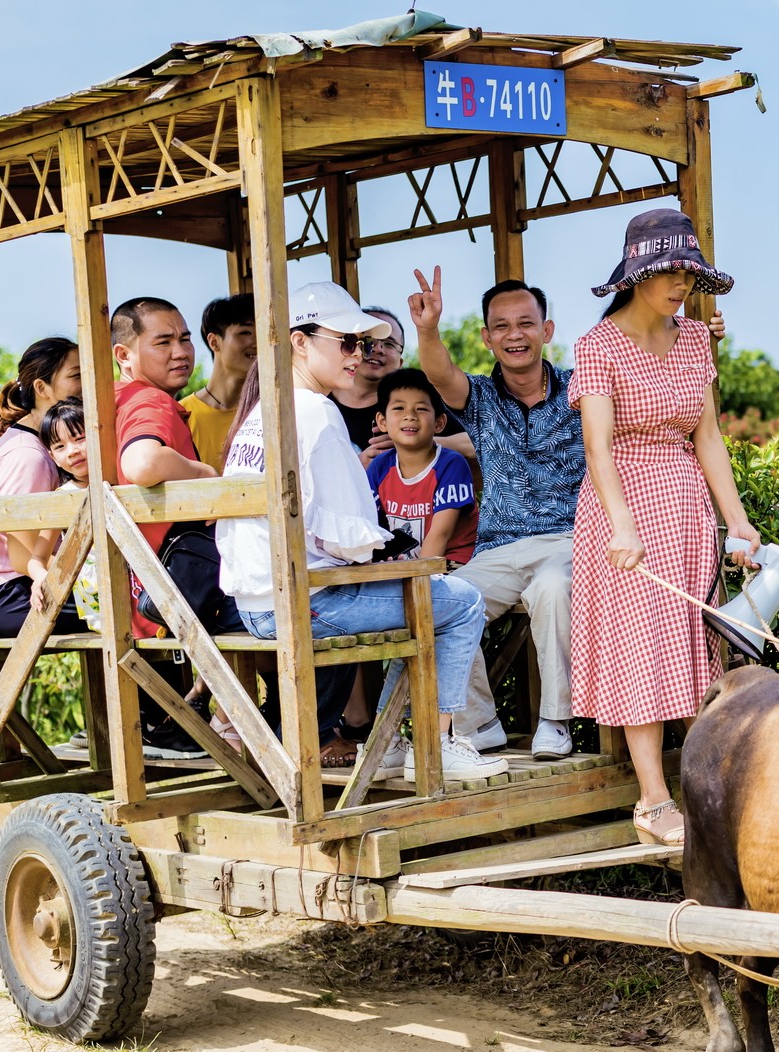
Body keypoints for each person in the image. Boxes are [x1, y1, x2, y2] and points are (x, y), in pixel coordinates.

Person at [409, 268, 728, 761]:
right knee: (438, 601)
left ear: (547, 330)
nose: (515, 335)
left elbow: (649, 383)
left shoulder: (582, 383)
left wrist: (704, 336)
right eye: (502, 326)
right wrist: (428, 330)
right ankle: (480, 725)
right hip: (498, 548)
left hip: (571, 539)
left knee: (555, 589)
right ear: (487, 337)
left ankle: (555, 722)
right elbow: (438, 374)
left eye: (526, 323)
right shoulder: (480, 397)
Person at [216, 281, 506, 784]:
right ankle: (435, 743)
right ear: (300, 342)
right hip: (308, 600)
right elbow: (350, 537)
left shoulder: (261, 414)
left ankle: (390, 741)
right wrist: (387, 554)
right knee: (460, 600)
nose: (360, 354)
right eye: (347, 342)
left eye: (365, 344)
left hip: (259, 602)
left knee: (425, 600)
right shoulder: (316, 413)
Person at [569, 208, 760, 847]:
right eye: (669, 272)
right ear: (636, 275)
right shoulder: (598, 346)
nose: (682, 283)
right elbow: (598, 448)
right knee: (640, 645)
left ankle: (702, 785)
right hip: (621, 507)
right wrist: (622, 527)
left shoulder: (696, 339)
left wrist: (737, 522)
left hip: (684, 506)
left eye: (688, 272)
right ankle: (652, 799)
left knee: (693, 640)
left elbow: (707, 437)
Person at [112, 295, 222, 759]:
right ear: (124, 354)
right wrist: (207, 475)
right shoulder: (150, 401)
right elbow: (141, 462)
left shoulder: (107, 401)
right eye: (163, 342)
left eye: (185, 338)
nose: (181, 351)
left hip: (128, 585)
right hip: (165, 588)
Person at [0, 338, 86, 637]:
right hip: (12, 594)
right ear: (41, 388)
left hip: (20, 587)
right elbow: (22, 556)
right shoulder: (28, 455)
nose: (88, 382)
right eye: (76, 375)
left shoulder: (37, 444)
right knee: (127, 607)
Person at [333, 305, 474, 466]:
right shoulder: (320, 400)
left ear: (400, 363)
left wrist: (417, 441)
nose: (378, 349)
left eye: (389, 344)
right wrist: (357, 469)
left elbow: (476, 441)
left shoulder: (420, 401)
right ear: (350, 346)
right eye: (368, 340)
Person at [366, 369, 478, 566]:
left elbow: (440, 535)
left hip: (450, 564)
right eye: (399, 408)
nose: (410, 416)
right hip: (405, 566)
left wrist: (418, 585)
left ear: (439, 422)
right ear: (382, 421)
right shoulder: (379, 467)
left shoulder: (450, 464)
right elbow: (369, 525)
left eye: (421, 409)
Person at [28, 402, 101, 631]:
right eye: (60, 446)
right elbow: (36, 558)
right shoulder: (62, 497)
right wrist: (40, 578)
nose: (72, 451)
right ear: (51, 455)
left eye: (80, 438)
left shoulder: (124, 480)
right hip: (97, 602)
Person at [181, 293, 255, 472]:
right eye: (245, 332)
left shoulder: (270, 412)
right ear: (214, 342)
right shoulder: (183, 415)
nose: (257, 341)